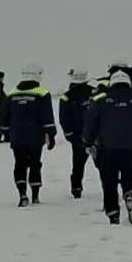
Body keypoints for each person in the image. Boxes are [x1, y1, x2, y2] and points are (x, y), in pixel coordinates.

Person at [83, 70, 132, 225]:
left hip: (108, 147)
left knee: (109, 181)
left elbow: (91, 121)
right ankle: (130, 193)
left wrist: (88, 141)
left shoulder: (101, 99)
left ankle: (113, 213)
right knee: (129, 174)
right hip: (131, 146)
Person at [0, 63, 57, 207]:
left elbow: (4, 116)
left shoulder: (12, 93)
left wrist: (6, 131)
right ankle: (35, 195)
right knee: (35, 163)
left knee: (19, 164)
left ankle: (22, 193)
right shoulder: (42, 93)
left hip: (17, 136)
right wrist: (51, 134)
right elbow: (47, 116)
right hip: (35, 136)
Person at [59, 67, 94, 199]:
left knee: (78, 164)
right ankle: (110, 186)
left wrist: (69, 134)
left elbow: (64, 117)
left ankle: (76, 187)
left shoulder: (67, 96)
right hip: (96, 135)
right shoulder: (95, 92)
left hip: (77, 136)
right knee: (104, 163)